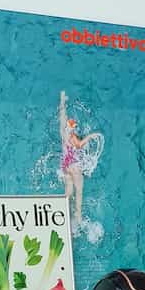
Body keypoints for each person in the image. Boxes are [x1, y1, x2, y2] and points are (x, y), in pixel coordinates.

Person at [58, 90, 94, 227]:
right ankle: (78, 216)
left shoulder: (63, 134)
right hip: (74, 166)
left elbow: (62, 116)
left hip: (65, 166)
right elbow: (79, 145)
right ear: (72, 129)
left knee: (68, 191)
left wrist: (62, 101)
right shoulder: (73, 137)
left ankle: (64, 213)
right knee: (79, 191)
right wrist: (90, 136)